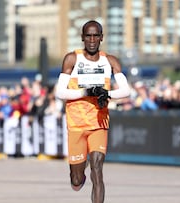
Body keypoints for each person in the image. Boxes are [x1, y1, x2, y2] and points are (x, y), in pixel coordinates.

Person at [55, 20, 130, 203]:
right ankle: (78, 173)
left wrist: (107, 94)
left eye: (96, 35)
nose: (92, 39)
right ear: (82, 37)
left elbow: (126, 90)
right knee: (77, 180)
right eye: (88, 35)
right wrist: (86, 92)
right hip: (76, 125)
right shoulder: (72, 59)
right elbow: (60, 92)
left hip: (99, 123)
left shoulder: (110, 60)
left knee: (97, 169)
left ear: (101, 38)